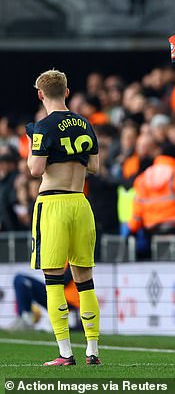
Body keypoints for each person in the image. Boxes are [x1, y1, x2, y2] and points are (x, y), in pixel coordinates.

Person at [26, 69, 102, 366]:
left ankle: (65, 353)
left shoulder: (43, 127)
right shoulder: (85, 124)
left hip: (53, 203)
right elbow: (94, 166)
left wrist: (35, 141)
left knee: (53, 280)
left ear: (41, 94)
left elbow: (35, 169)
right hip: (80, 202)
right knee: (85, 280)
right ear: (67, 92)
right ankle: (93, 350)